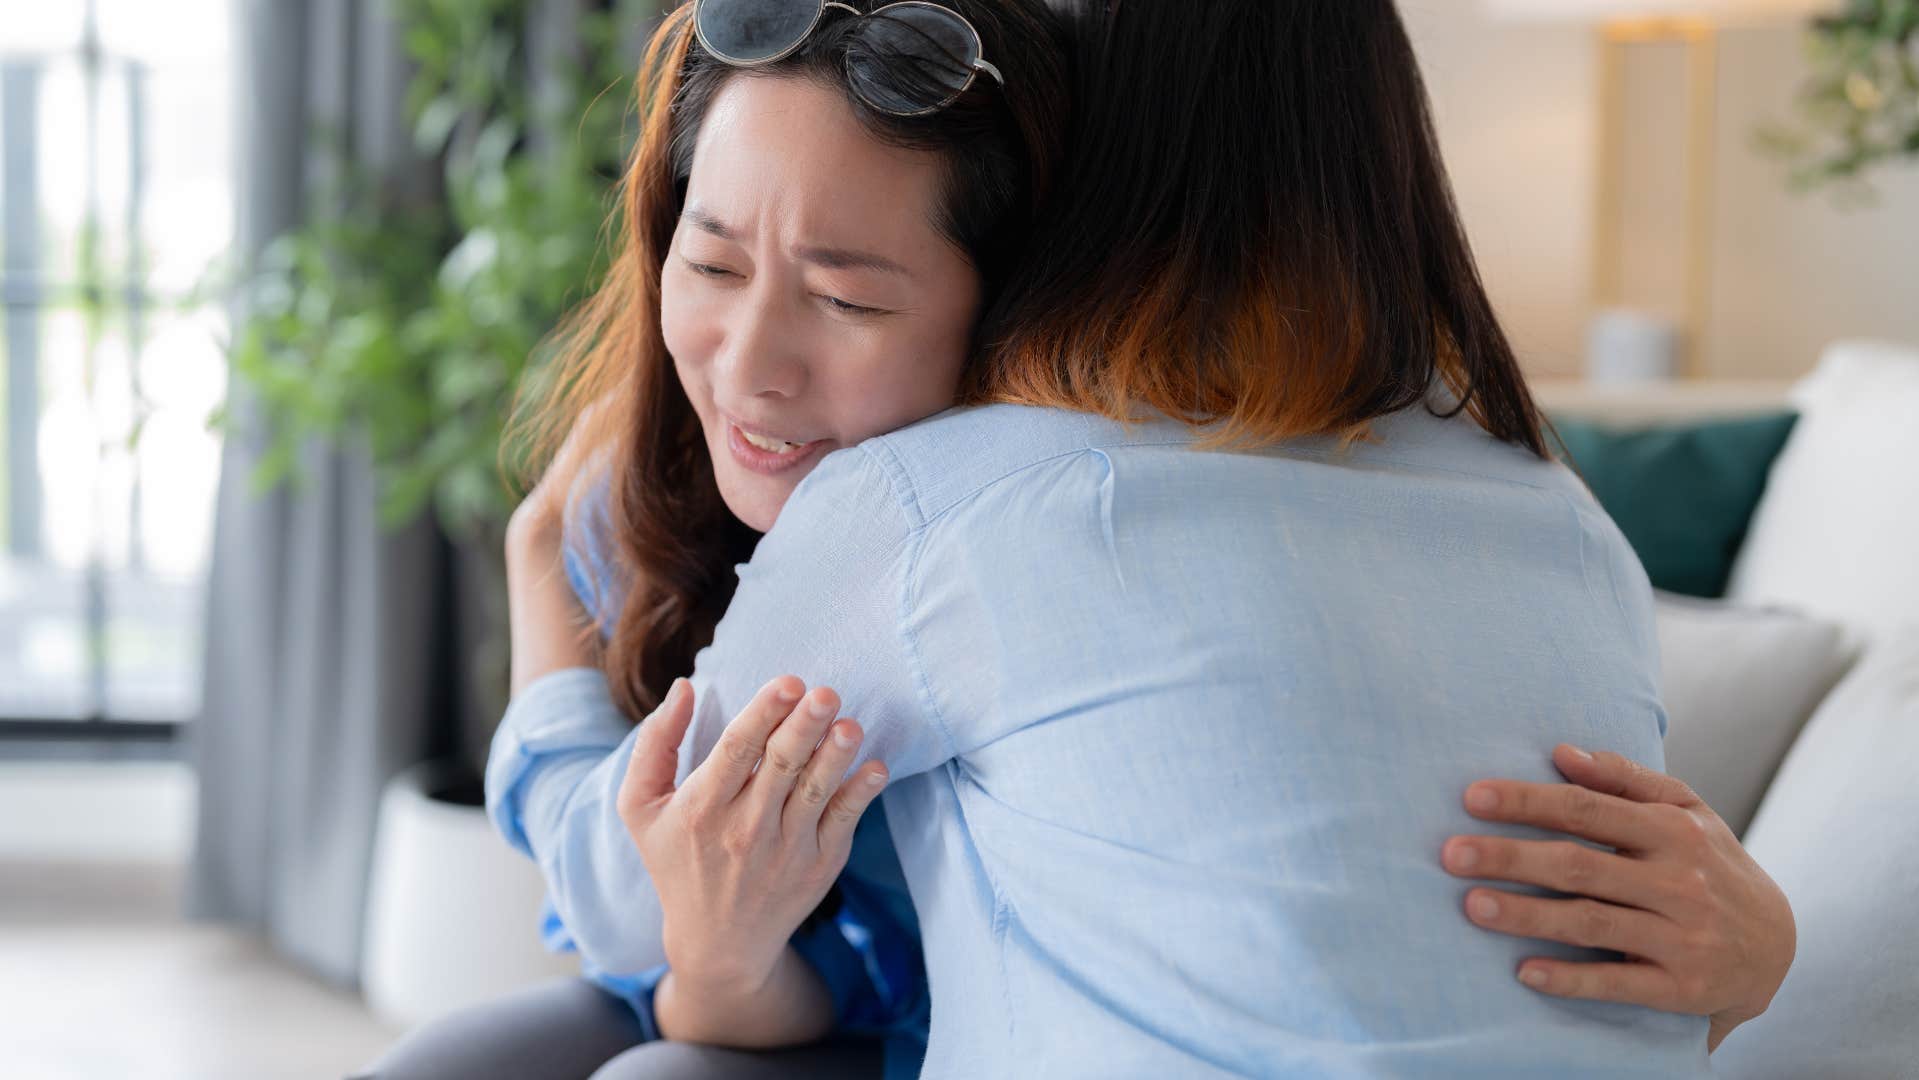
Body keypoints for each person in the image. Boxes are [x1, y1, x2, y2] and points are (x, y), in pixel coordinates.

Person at [359, 1, 1794, 1077]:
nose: (751, 362)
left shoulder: (960, 506)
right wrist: (1759, 963)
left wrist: (544, 624)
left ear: (1071, 188)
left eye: (854, 298)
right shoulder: (1569, 523)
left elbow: (621, 894)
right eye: (714, 257)